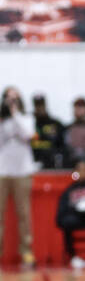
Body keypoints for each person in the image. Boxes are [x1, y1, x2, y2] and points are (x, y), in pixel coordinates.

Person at [0, 86, 36, 268]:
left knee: (24, 214)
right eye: (8, 99)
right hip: (2, 172)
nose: (11, 102)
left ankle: (27, 252)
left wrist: (15, 115)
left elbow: (28, 135)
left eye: (15, 99)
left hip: (22, 172)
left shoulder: (27, 118)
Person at [29, 94, 66, 170]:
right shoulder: (28, 124)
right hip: (31, 163)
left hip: (51, 164)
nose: (39, 108)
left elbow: (62, 145)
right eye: (37, 105)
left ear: (45, 105)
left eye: (41, 105)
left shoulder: (56, 124)